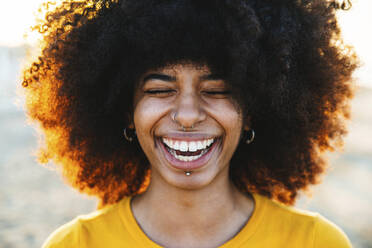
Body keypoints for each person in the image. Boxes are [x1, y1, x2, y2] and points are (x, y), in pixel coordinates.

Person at [21, 0, 358, 247]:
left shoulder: (315, 242)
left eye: (216, 90)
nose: (187, 115)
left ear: (253, 109)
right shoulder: (76, 244)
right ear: (127, 110)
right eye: (160, 89)